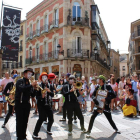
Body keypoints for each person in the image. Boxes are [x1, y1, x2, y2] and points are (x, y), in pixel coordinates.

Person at [15, 68, 36, 140]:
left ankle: (23, 135)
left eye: (31, 74)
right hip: (19, 104)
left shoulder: (30, 83)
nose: (30, 75)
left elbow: (32, 95)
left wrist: (35, 89)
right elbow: (21, 89)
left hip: (27, 104)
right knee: (19, 121)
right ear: (25, 74)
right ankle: (19, 137)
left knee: (25, 121)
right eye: (29, 74)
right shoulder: (20, 81)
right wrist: (31, 85)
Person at [32, 72, 54, 139]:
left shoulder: (50, 85)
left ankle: (48, 129)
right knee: (41, 119)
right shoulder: (39, 86)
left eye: (46, 77)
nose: (45, 78)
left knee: (51, 119)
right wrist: (42, 96)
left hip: (48, 104)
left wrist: (49, 91)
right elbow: (36, 97)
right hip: (41, 104)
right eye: (43, 77)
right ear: (41, 79)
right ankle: (35, 133)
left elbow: (53, 95)